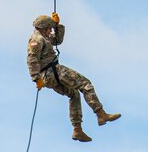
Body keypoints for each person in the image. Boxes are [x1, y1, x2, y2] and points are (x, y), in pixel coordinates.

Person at [27, 14, 121, 143]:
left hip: (50, 76)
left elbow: (57, 41)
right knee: (85, 84)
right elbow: (32, 59)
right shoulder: (36, 40)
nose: (50, 31)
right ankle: (101, 114)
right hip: (52, 72)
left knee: (74, 94)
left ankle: (77, 130)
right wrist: (36, 78)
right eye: (49, 28)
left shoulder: (44, 37)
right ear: (43, 28)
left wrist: (57, 26)